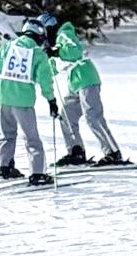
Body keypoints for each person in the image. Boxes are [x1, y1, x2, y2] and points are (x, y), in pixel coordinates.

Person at [0, 17, 58, 184]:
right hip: (23, 101)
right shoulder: (38, 54)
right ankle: (37, 173)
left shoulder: (8, 47)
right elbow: (45, 80)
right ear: (38, 35)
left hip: (3, 98)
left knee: (7, 135)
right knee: (31, 138)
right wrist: (51, 100)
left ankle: (5, 167)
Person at [49, 17, 123, 165]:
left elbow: (75, 51)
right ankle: (76, 152)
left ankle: (113, 152)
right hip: (74, 84)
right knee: (66, 117)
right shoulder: (55, 43)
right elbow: (53, 67)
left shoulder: (64, 33)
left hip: (87, 78)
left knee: (93, 116)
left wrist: (57, 52)